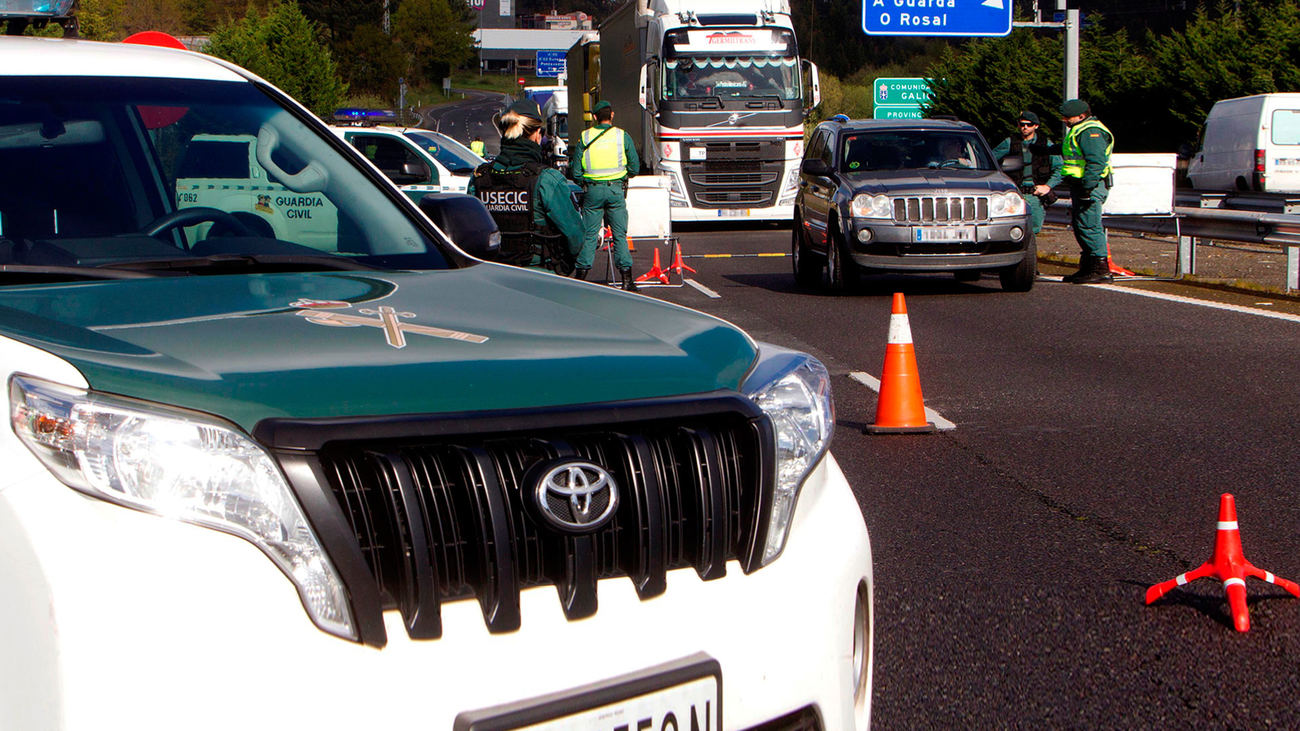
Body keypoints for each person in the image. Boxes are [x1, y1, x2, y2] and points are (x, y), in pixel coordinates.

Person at [468, 99, 584, 275]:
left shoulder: (479, 177)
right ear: (537, 134)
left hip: (493, 275)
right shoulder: (547, 179)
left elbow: (470, 231)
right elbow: (576, 237)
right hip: (540, 278)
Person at [570, 99, 641, 290]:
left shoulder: (584, 137)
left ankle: (580, 278)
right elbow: (635, 167)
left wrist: (585, 183)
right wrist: (623, 176)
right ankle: (627, 280)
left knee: (590, 235)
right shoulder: (622, 136)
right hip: (615, 190)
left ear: (594, 117)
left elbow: (575, 172)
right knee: (619, 235)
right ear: (612, 115)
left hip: (592, 191)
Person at [1055, 98, 1115, 284]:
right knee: (1082, 226)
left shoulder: (1091, 131)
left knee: (1089, 226)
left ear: (1081, 116)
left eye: (1067, 117)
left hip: (1090, 186)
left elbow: (1096, 162)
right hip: (1083, 185)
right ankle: (1088, 268)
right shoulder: (1081, 130)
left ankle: (1101, 270)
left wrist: (1087, 188)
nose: (1065, 120)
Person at [991, 110, 1063, 236]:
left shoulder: (1045, 143)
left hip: (1035, 195)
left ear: (1036, 126)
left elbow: (1060, 168)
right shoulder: (1010, 142)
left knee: (1033, 231)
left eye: (1029, 125)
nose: (1025, 127)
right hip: (1014, 194)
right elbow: (990, 159)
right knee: (1012, 230)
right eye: (1022, 124)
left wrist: (1048, 186)